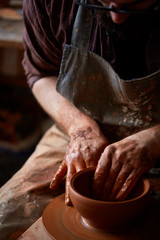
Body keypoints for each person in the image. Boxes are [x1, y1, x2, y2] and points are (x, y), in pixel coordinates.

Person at [0, 0, 160, 239]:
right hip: (78, 125)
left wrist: (155, 138)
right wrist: (79, 128)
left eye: (134, 3)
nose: (117, 17)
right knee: (6, 215)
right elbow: (41, 73)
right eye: (104, 2)